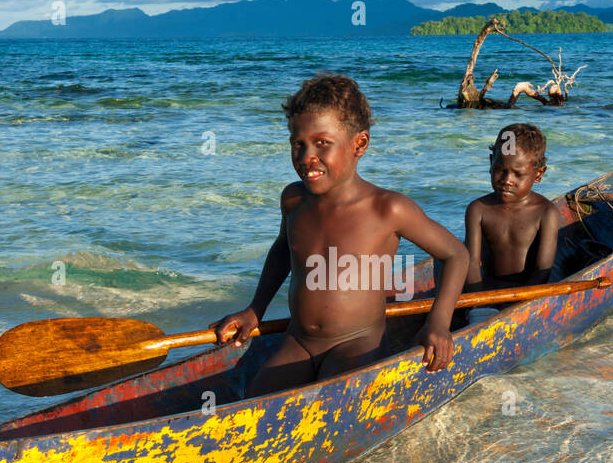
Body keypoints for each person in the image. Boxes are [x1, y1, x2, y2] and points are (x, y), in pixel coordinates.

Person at [211, 74, 468, 396]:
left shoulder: (387, 209)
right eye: (298, 144)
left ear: (358, 144)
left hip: (356, 343)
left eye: (322, 144)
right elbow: (283, 251)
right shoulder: (293, 199)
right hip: (300, 340)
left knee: (328, 403)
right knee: (255, 405)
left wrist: (438, 322)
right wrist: (255, 309)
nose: (306, 157)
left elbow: (455, 254)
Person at [463, 123, 560, 323]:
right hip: (486, 293)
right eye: (500, 170)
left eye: (518, 174)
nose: (507, 180)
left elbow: (543, 269)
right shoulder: (478, 209)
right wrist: (478, 300)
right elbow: (472, 264)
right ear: (491, 163)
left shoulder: (545, 212)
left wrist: (517, 305)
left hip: (527, 294)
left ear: (538, 174)